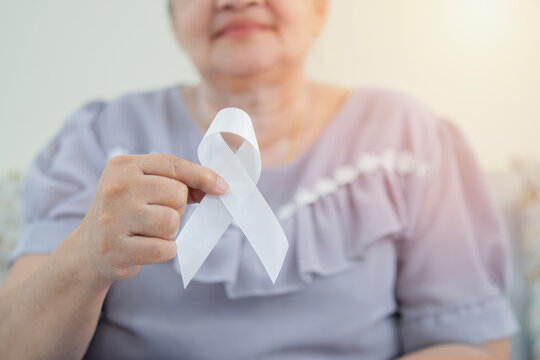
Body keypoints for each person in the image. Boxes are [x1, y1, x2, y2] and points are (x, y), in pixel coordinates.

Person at [0, 0, 518, 359]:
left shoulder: (408, 137)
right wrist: (85, 259)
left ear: (320, 9)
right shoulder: (99, 138)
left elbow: (476, 346)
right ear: (174, 16)